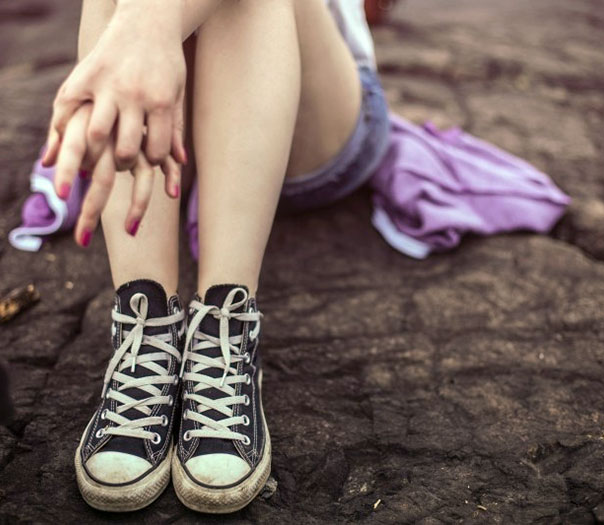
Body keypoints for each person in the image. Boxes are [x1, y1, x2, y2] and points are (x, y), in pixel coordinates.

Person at [44, 0, 389, 514]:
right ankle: (147, 326)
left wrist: (141, 28)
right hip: (183, 112)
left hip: (313, 112)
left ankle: (228, 318)